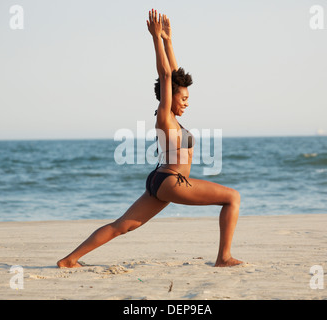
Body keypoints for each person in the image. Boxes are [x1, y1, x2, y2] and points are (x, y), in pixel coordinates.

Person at [57, 9, 242, 268]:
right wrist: (155, 39)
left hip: (159, 180)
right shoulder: (164, 118)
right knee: (232, 197)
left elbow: (173, 75)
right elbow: (167, 76)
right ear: (170, 97)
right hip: (172, 181)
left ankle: (69, 260)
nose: (187, 103)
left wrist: (168, 40)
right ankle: (223, 257)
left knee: (122, 225)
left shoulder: (173, 119)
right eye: (184, 98)